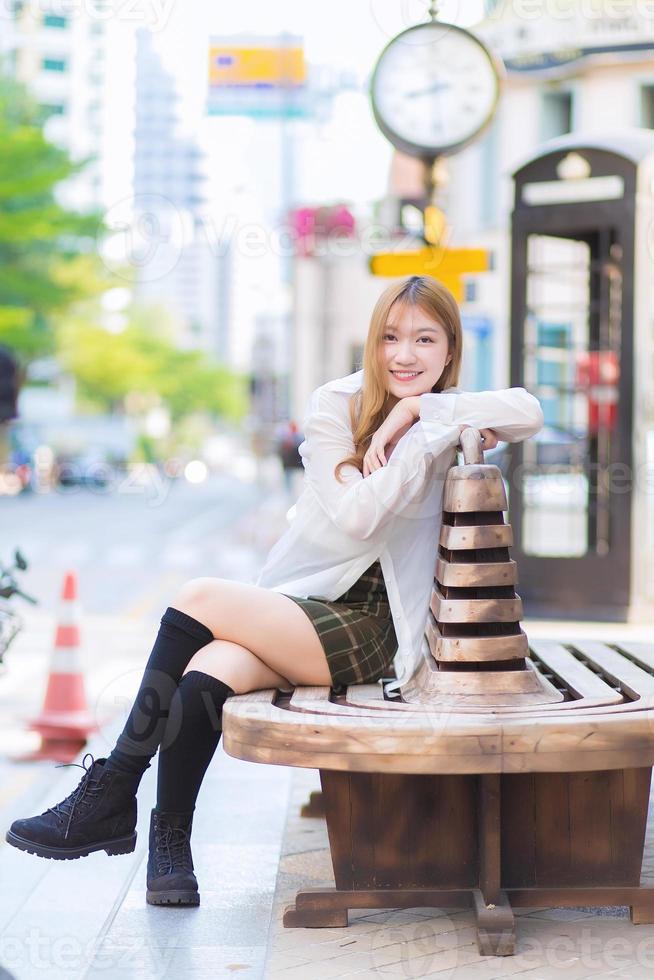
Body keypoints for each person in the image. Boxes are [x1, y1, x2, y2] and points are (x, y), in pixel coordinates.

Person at [4, 275, 544, 907]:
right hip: (307, 607)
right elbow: (351, 516)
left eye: (425, 340)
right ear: (372, 344)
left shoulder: (441, 415)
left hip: (380, 627)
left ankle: (114, 790)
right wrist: (412, 420)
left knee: (197, 596)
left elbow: (529, 410)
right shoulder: (333, 407)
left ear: (450, 349)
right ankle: (166, 843)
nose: (405, 355)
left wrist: (421, 416)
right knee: (206, 668)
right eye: (391, 338)